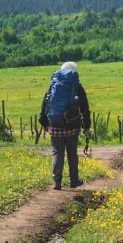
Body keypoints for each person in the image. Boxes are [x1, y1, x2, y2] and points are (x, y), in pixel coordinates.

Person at [39, 61, 90, 190]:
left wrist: (45, 122)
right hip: (72, 125)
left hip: (55, 124)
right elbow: (85, 107)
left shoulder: (54, 85)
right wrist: (87, 127)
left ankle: (57, 182)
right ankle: (74, 181)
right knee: (72, 153)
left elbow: (45, 103)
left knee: (57, 153)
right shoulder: (77, 86)